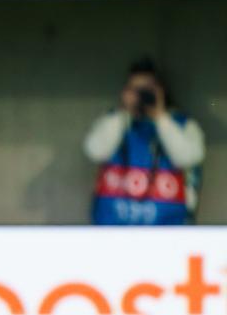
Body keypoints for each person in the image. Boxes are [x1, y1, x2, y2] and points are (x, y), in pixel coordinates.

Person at [84, 57, 205, 225]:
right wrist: (124, 112)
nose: (140, 96)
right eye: (134, 90)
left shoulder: (182, 123)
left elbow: (189, 158)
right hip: (112, 232)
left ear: (160, 91)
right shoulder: (114, 120)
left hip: (166, 233)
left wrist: (160, 117)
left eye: (146, 90)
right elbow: (94, 151)